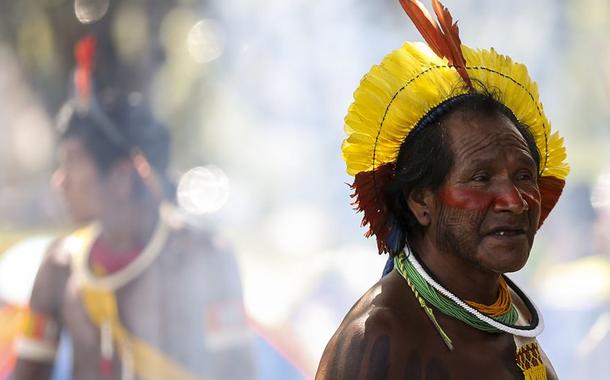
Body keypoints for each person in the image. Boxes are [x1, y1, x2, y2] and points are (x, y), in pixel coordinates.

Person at [316, 0, 569, 379]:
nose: (515, 202)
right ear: (421, 201)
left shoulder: (506, 313)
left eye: (523, 176)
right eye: (481, 179)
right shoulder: (376, 341)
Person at [12, 36, 256, 380]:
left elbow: (238, 374)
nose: (60, 180)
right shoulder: (59, 266)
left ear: (123, 177)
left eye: (71, 163)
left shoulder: (205, 257)